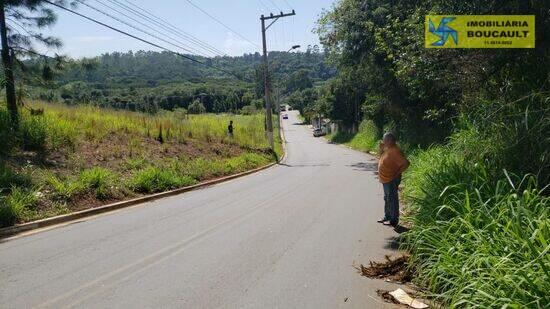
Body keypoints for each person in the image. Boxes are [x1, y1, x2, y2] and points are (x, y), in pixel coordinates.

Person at [377, 132, 410, 227]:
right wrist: (381, 149)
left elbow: (406, 163)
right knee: (387, 198)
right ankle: (387, 216)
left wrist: (397, 173)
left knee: (392, 199)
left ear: (390, 141)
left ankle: (393, 220)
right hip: (386, 179)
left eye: (385, 140)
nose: (383, 142)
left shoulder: (395, 151)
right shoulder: (388, 149)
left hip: (391, 179)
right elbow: (381, 158)